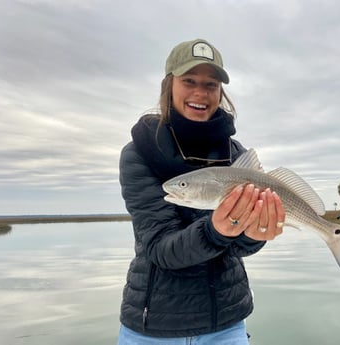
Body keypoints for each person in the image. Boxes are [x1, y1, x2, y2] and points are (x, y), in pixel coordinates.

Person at [117, 38, 285, 344]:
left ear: (220, 91)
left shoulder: (236, 154)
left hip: (226, 324)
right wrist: (217, 230)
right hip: (151, 328)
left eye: (210, 84)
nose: (200, 92)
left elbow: (239, 249)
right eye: (189, 81)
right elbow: (159, 247)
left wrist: (255, 234)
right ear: (169, 85)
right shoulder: (139, 152)